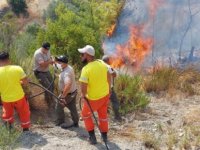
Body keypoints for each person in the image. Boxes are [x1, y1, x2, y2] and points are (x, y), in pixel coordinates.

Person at [78, 45, 111, 145]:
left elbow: (83, 87)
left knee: (85, 115)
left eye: (82, 54)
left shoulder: (86, 69)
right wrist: (109, 91)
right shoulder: (103, 64)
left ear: (87, 55)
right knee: (103, 116)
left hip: (92, 99)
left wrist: (83, 96)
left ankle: (92, 137)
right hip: (105, 95)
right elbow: (109, 77)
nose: (81, 56)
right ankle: (104, 136)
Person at [0, 51, 30, 131]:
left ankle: (9, 128)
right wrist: (20, 82)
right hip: (19, 97)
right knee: (24, 112)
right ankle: (25, 129)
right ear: (8, 59)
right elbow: (25, 82)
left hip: (6, 98)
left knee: (7, 113)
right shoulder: (17, 68)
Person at [54, 55, 79, 128]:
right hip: (73, 92)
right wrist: (59, 76)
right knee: (72, 107)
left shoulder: (66, 73)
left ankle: (60, 122)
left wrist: (62, 97)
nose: (58, 63)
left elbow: (68, 84)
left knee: (58, 106)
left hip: (67, 94)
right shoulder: (68, 68)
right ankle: (75, 122)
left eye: (59, 62)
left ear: (64, 63)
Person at [33, 42, 54, 108]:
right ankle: (49, 104)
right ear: (42, 47)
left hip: (46, 71)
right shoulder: (38, 53)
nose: (46, 51)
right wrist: (50, 61)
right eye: (45, 49)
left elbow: (50, 57)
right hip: (39, 72)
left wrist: (52, 59)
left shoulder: (48, 50)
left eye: (47, 50)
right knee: (48, 87)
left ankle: (50, 99)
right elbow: (42, 64)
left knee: (52, 84)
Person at [102, 55, 122, 121]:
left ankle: (104, 116)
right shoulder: (108, 67)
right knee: (115, 102)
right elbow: (114, 75)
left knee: (103, 102)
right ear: (108, 61)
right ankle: (117, 117)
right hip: (109, 89)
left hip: (101, 88)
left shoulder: (99, 66)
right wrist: (113, 69)